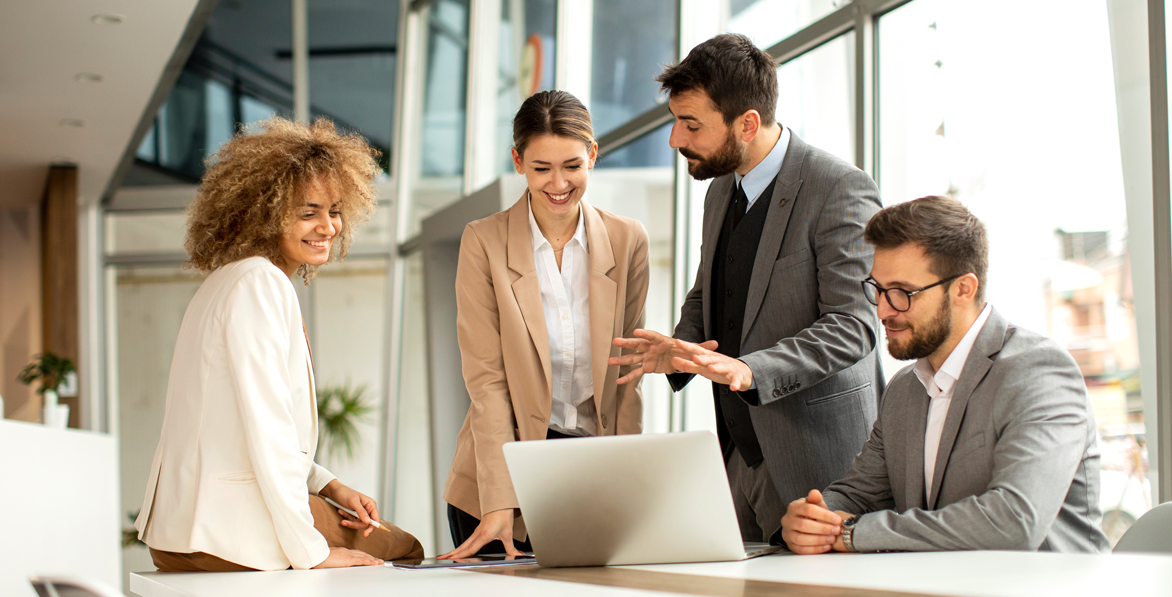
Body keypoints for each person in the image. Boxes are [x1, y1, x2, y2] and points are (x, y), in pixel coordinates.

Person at [611, 33, 882, 543]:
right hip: (738, 455)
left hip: (820, 463)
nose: (675, 140)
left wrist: (749, 369)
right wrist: (679, 346)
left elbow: (855, 325)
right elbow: (710, 288)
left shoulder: (838, 188)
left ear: (748, 123)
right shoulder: (720, 190)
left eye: (691, 125)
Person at [134, 117, 424, 572]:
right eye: (308, 212)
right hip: (228, 533)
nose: (327, 227)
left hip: (179, 533)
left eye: (334, 210)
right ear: (264, 212)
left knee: (375, 533)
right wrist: (313, 553)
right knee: (403, 547)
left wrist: (329, 486)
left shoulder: (226, 281)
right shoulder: (260, 284)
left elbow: (238, 426)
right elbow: (267, 429)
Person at [779, 196, 1109, 554]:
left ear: (963, 289)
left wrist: (852, 533)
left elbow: (1014, 522)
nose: (884, 311)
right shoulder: (905, 389)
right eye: (878, 290)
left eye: (903, 292)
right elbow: (858, 492)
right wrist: (813, 518)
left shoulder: (1040, 372)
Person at [441, 90, 650, 559]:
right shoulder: (484, 242)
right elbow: (487, 382)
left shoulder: (627, 239)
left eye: (572, 166)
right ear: (518, 161)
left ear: (593, 155)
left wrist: (629, 485)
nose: (559, 183)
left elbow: (627, 374)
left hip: (590, 472)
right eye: (541, 169)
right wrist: (500, 500)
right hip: (501, 477)